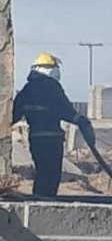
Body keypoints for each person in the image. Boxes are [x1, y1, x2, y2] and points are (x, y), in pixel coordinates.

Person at [12, 53, 95, 197]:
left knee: (42, 172)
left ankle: (38, 202)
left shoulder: (27, 90)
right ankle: (46, 202)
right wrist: (83, 122)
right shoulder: (52, 87)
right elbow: (66, 110)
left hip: (36, 139)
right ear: (50, 69)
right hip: (53, 139)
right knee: (51, 175)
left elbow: (14, 114)